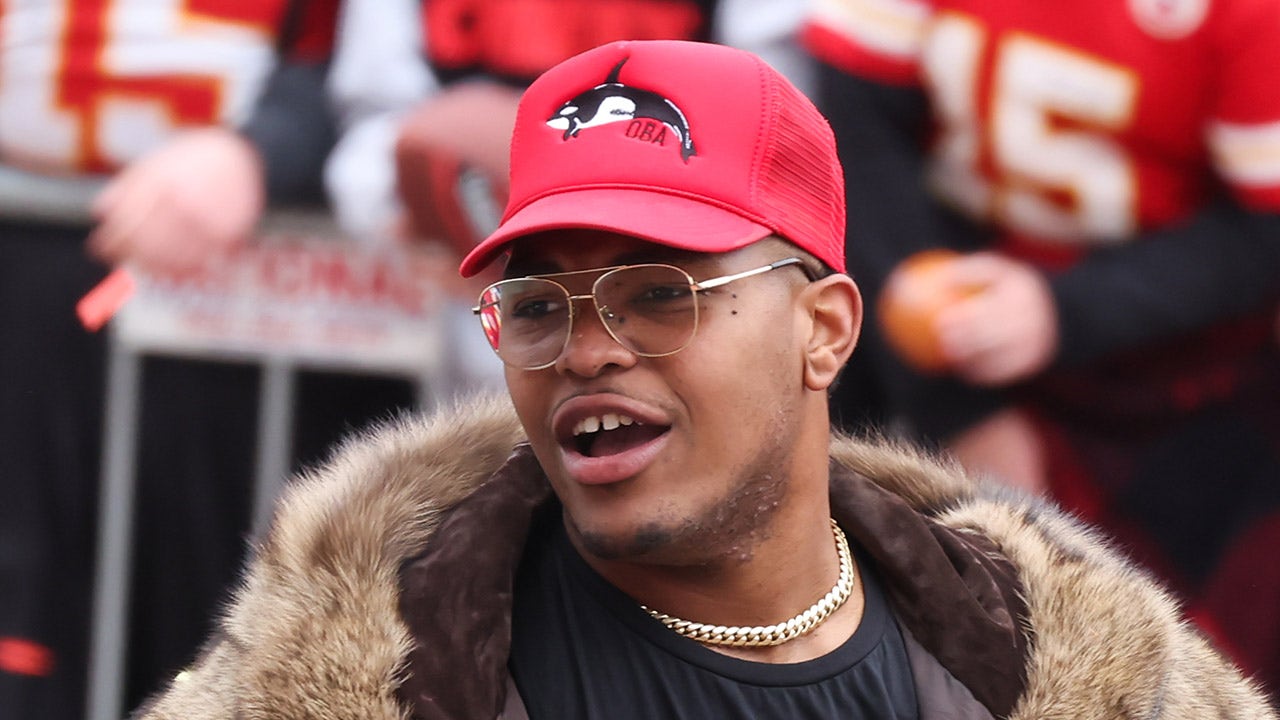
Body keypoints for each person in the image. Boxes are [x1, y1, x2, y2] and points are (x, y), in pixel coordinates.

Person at [128, 40, 1274, 719]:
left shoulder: (1062, 671)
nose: (586, 347)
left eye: (660, 293)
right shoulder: (344, 672)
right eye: (535, 304)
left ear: (821, 332)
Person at [804, 0, 1280, 692]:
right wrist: (959, 410)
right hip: (939, 333)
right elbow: (853, 126)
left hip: (1178, 374)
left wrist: (1065, 311)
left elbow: (1265, 232)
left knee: (1207, 664)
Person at [0, 2, 342, 717]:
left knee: (220, 621)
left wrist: (260, 150)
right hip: (34, 287)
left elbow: (371, 71)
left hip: (255, 319)